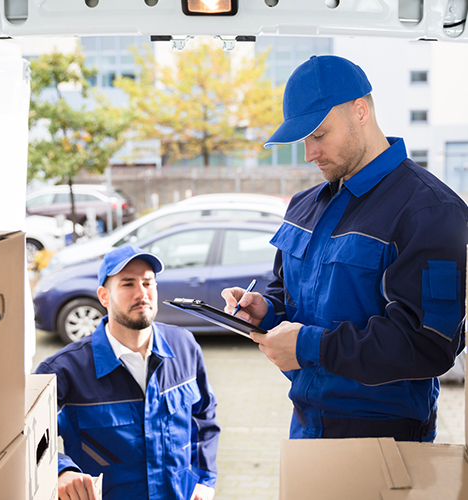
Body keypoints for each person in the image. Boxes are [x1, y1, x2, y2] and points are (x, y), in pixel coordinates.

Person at [222, 55, 468, 442]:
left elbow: (430, 344)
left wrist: (309, 345)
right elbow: (288, 296)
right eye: (304, 139)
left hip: (384, 437)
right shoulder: (302, 207)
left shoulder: (431, 211)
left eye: (318, 135)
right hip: (305, 426)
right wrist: (265, 309)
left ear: (360, 112)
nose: (309, 153)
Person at [35, 245, 220, 500]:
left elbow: (204, 418)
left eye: (148, 283)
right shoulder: (64, 370)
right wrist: (58, 470)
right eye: (127, 284)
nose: (141, 293)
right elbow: (25, 437)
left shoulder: (185, 346)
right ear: (103, 296)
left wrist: (204, 480)